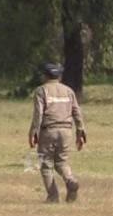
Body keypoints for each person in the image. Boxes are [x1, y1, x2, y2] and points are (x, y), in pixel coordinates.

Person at [28, 63, 87, 203]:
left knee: (46, 164)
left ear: (45, 76)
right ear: (59, 76)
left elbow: (38, 114)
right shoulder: (68, 91)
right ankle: (70, 180)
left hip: (48, 131)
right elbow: (76, 112)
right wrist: (80, 132)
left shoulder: (41, 91)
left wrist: (33, 132)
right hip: (66, 131)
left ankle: (53, 196)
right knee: (61, 162)